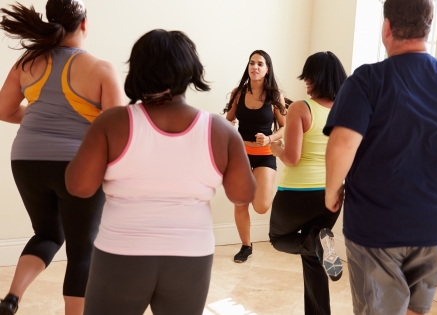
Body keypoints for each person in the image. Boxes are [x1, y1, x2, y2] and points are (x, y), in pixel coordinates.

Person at [64, 29, 256, 315]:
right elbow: (243, 195)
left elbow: (79, 187)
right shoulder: (220, 130)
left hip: (122, 252)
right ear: (190, 72)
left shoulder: (112, 123)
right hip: (190, 254)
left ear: (137, 71)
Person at [322, 0, 437, 314]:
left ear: (387, 27)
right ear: (428, 27)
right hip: (434, 227)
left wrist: (332, 192)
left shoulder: (367, 79)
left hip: (377, 227)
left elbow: (343, 144)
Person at [0, 0, 125, 314]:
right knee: (83, 248)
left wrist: (41, 116)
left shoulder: (27, 63)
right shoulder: (100, 68)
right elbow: (117, 131)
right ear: (84, 23)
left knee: (47, 233)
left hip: (26, 161)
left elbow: (4, 110)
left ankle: (11, 299)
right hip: (77, 164)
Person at [269, 51, 347, 314]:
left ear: (318, 77)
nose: (306, 81)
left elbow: (292, 157)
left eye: (309, 75)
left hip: (296, 194)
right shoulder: (346, 110)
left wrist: (276, 148)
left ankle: (315, 241)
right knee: (314, 259)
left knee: (278, 238)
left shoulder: (301, 108)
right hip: (332, 194)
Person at [224, 50, 287, 263]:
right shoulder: (238, 94)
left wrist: (269, 139)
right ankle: (246, 246)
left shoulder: (274, 96)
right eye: (252, 63)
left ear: (267, 69)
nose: (255, 67)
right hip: (240, 155)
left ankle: (255, 189)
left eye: (260, 63)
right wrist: (229, 126)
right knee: (240, 203)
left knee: (261, 206)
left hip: (264, 155)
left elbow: (285, 127)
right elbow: (228, 120)